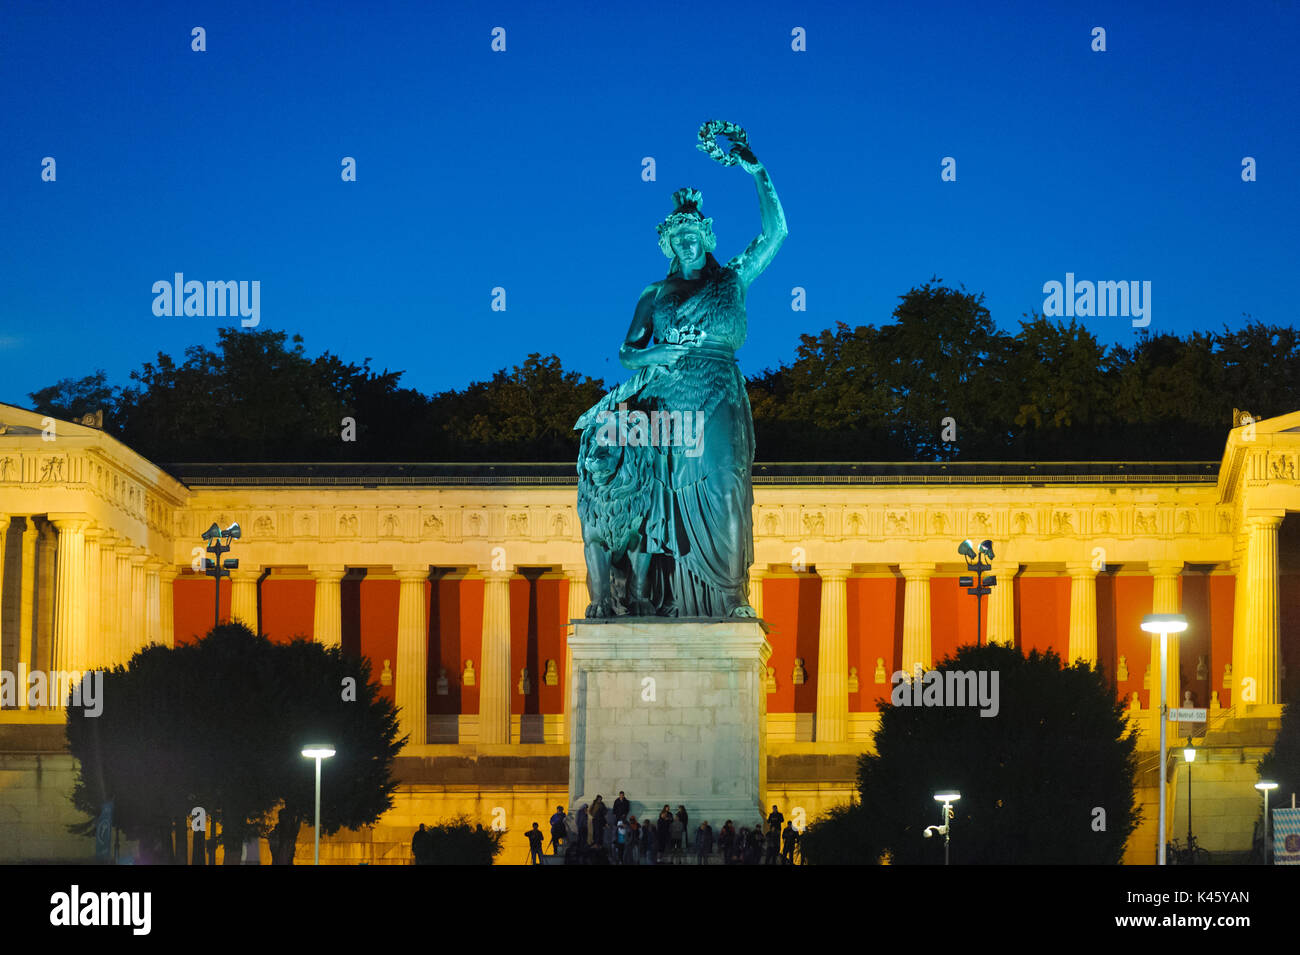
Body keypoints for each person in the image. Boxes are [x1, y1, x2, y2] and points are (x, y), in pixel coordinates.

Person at [574, 142, 787, 619]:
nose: (687, 242)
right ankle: (644, 595)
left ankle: (731, 598)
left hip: (717, 390)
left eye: (694, 234)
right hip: (666, 398)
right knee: (652, 497)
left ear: (707, 237)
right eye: (679, 237)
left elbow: (776, 233)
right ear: (669, 245)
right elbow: (628, 351)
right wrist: (659, 351)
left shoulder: (732, 279)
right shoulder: (655, 292)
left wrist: (757, 170)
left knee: (725, 483)